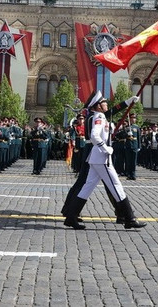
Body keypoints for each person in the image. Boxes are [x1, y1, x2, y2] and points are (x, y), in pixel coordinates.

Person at [65, 93, 145, 230]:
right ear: (98, 106)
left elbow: (113, 112)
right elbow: (94, 135)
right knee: (116, 185)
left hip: (96, 157)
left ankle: (71, 217)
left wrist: (128, 101)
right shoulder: (99, 116)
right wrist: (105, 148)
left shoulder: (97, 116)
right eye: (104, 102)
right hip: (101, 157)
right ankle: (129, 218)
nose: (107, 103)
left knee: (87, 186)